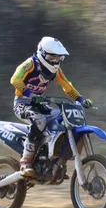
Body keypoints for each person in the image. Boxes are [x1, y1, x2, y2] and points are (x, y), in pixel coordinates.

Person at [10, 37, 93, 177]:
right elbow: (15, 79)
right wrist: (30, 94)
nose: (55, 61)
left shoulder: (56, 71)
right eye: (52, 57)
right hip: (22, 103)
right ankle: (26, 162)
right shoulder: (30, 64)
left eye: (58, 58)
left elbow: (67, 86)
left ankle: (57, 163)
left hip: (40, 105)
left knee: (64, 120)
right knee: (40, 121)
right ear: (42, 53)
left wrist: (81, 99)